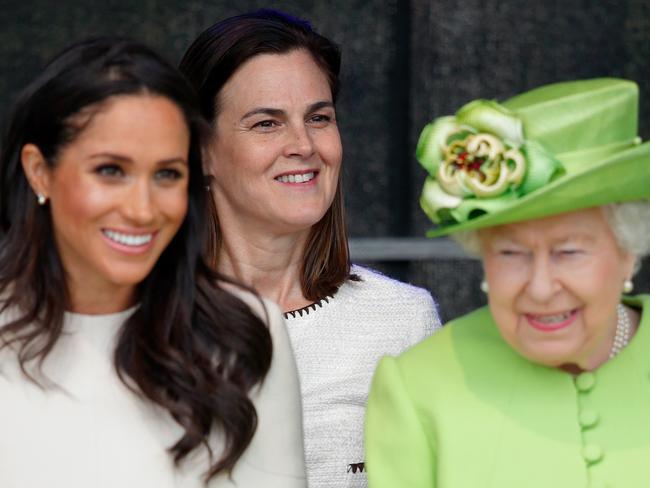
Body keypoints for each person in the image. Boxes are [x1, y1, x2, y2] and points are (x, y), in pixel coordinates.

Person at [0, 37, 306, 487]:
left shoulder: (246, 336)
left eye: (167, 174)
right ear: (39, 171)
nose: (143, 210)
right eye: (110, 171)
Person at [179, 9, 440, 488]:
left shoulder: (403, 321)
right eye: (266, 124)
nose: (303, 144)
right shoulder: (141, 324)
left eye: (318, 118)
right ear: (202, 151)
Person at [365, 78, 650, 487]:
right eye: (511, 253)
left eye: (568, 252)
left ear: (628, 253)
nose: (539, 287)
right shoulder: (418, 387)